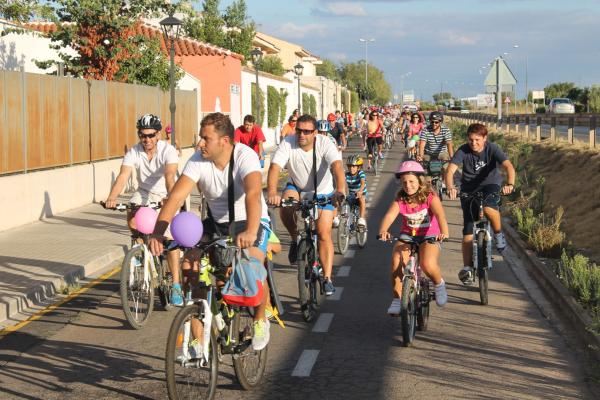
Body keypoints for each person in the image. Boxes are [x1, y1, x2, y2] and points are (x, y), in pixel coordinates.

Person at [148, 112, 272, 350]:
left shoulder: (245, 156)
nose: (200, 143)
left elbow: (254, 194)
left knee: (252, 265)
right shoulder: (197, 160)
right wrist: (157, 232)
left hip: (250, 220)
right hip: (215, 223)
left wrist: (251, 232)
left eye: (206, 138)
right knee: (190, 267)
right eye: (200, 137)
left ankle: (259, 319)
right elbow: (175, 197)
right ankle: (198, 340)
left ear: (224, 141)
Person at [104, 114, 182, 305]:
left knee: (170, 240)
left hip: (166, 194)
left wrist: (171, 199)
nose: (146, 140)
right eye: (142, 135)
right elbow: (123, 175)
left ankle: (177, 286)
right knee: (131, 210)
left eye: (150, 135)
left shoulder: (168, 150)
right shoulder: (134, 151)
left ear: (158, 134)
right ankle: (139, 247)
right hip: (144, 192)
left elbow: (170, 176)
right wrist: (112, 197)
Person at [266, 114, 346, 296]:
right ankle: (295, 238)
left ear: (315, 132)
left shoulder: (325, 143)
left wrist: (339, 190)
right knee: (285, 206)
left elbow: (337, 167)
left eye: (307, 131)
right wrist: (272, 193)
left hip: (323, 191)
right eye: (299, 130)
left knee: (324, 232)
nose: (302, 134)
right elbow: (275, 168)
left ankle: (327, 278)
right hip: (298, 186)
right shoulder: (288, 142)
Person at [445, 123, 515, 285]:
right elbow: (450, 171)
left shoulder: (493, 148)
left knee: (490, 209)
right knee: (468, 231)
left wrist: (510, 184)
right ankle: (468, 267)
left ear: (485, 138)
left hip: (491, 185)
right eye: (470, 140)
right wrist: (450, 187)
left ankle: (498, 235)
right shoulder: (463, 150)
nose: (474, 143)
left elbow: (508, 166)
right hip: (468, 189)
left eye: (477, 140)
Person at [378, 161, 449, 314]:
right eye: (404, 182)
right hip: (408, 235)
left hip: (429, 235)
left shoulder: (430, 197)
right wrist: (383, 230)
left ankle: (439, 284)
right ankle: (397, 299)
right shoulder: (400, 200)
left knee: (427, 264)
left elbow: (440, 215)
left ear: (420, 180)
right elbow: (390, 216)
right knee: (396, 262)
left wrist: (444, 232)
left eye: (411, 181)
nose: (408, 185)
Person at [345, 154, 367, 228]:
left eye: (354, 166)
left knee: (362, 199)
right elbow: (341, 183)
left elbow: (362, 182)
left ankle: (361, 219)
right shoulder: (346, 175)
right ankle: (345, 220)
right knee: (345, 203)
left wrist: (360, 191)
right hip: (352, 195)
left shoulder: (361, 173)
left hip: (361, 194)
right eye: (350, 166)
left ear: (358, 167)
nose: (351, 168)